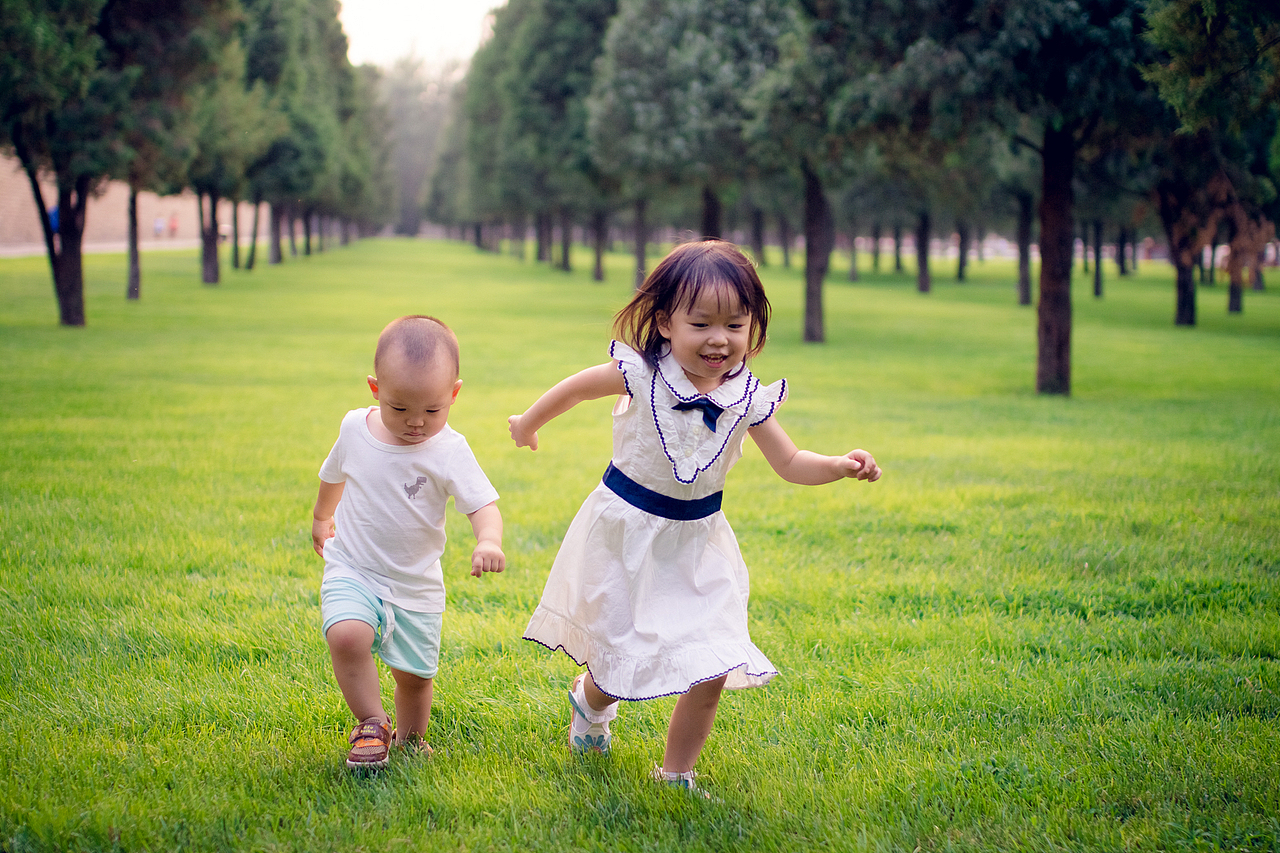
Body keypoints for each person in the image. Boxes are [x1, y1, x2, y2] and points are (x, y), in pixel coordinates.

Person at [507, 239, 881, 793]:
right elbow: (576, 389)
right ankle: (590, 702)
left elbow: (791, 461)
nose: (719, 339)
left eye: (735, 324)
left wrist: (839, 465)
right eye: (701, 323)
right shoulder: (640, 374)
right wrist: (528, 423)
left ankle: (676, 773)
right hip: (627, 534)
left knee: (713, 662)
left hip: (698, 544)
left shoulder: (746, 398)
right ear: (664, 323)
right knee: (618, 660)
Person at [312, 315, 506, 772]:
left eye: (432, 411)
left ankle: (412, 740)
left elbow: (483, 505)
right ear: (375, 388)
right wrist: (323, 517)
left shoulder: (450, 450)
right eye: (399, 409)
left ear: (453, 394)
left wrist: (489, 540)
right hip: (354, 566)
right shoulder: (354, 429)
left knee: (415, 677)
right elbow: (332, 475)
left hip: (415, 583)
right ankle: (372, 723)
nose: (416, 423)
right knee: (346, 633)